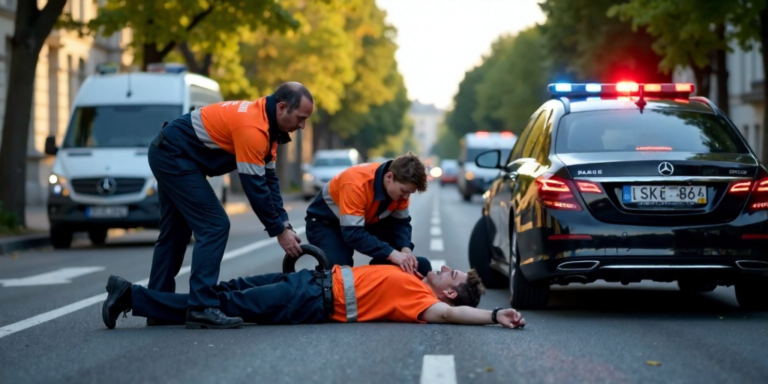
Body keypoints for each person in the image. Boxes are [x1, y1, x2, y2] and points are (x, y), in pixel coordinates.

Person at [145, 82, 312, 329]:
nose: (302, 125)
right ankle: (202, 307)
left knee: (175, 233)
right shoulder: (253, 128)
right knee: (215, 224)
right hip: (172, 156)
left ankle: (156, 307)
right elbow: (255, 188)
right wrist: (278, 231)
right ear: (282, 107)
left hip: (173, 154)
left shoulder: (269, 128)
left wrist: (284, 222)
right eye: (300, 118)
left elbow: (269, 181)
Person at [101, 264, 527, 329]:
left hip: (307, 301)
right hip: (311, 278)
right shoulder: (414, 277)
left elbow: (452, 317)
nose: (443, 267)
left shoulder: (423, 302)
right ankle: (143, 299)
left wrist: (491, 316)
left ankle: (133, 299)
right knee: (228, 290)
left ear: (449, 291)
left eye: (449, 273)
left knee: (221, 307)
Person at [305, 153, 432, 277]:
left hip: (364, 221)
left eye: (410, 193)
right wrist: (392, 253)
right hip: (326, 223)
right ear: (389, 177)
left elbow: (401, 223)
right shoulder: (355, 184)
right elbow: (353, 234)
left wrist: (405, 249)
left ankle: (376, 283)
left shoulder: (399, 185)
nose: (406, 197)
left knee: (400, 259)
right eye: (404, 191)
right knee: (338, 272)